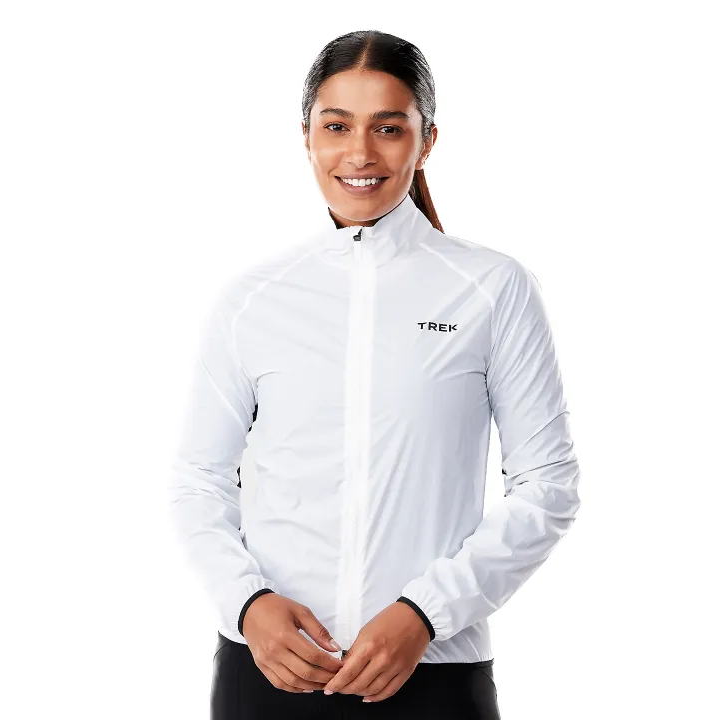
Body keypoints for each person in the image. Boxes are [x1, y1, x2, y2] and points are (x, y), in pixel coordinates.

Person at [167, 29, 582, 720]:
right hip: (267, 671)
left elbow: (548, 486)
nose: (360, 153)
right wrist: (248, 604)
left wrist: (426, 613)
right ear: (307, 138)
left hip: (435, 672)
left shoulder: (492, 288)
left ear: (427, 141)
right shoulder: (253, 300)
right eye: (337, 126)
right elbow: (197, 480)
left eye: (388, 128)